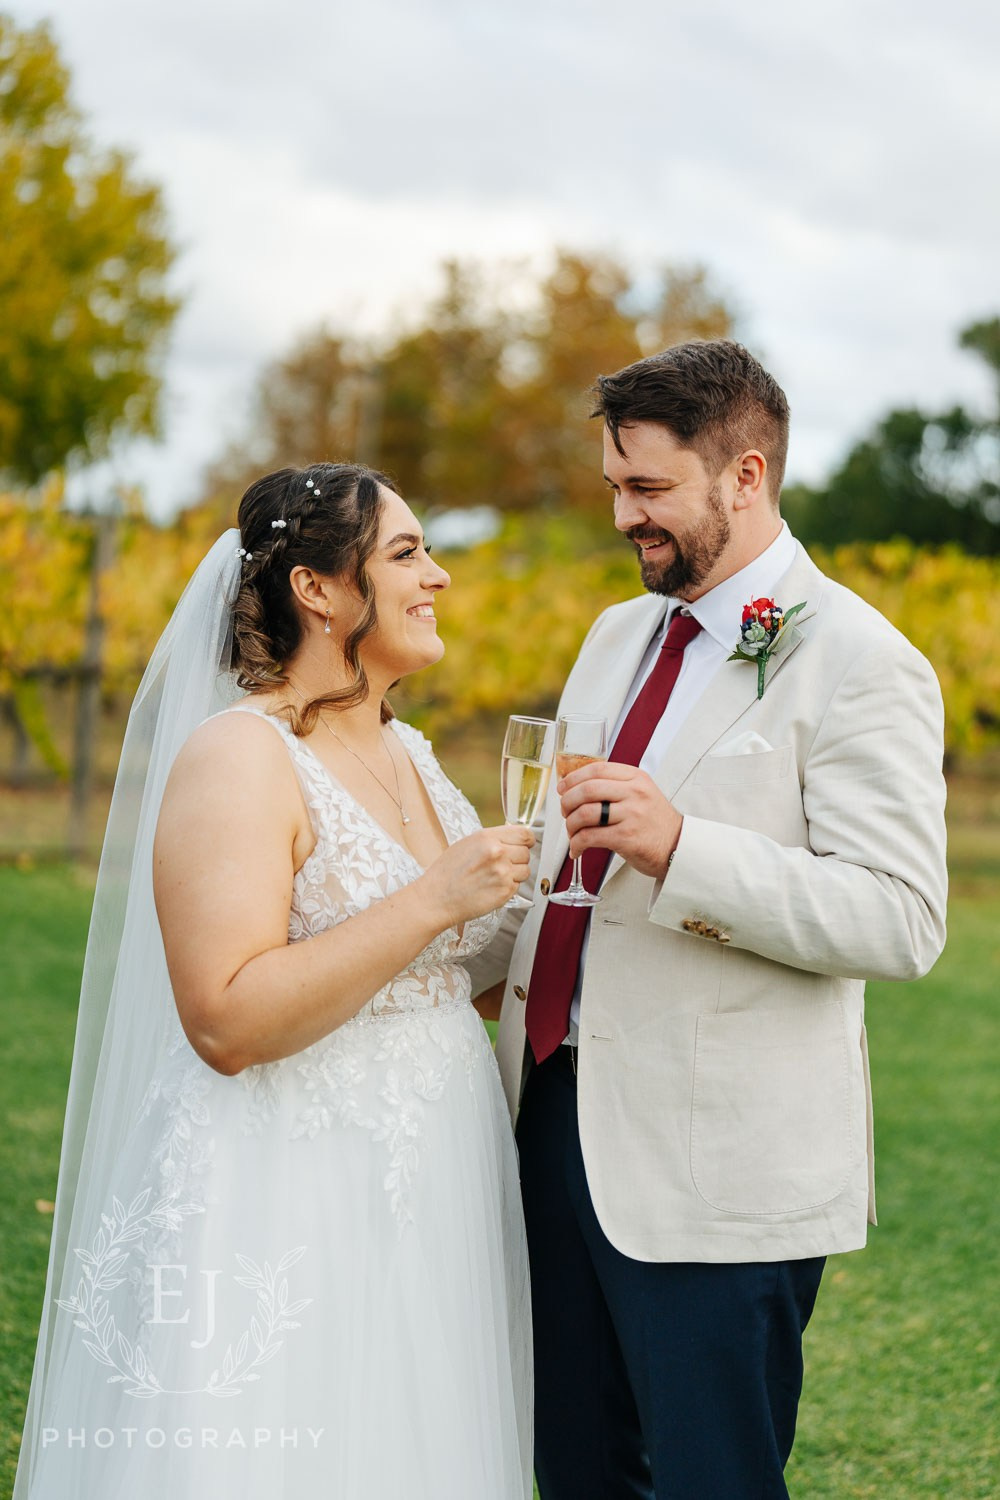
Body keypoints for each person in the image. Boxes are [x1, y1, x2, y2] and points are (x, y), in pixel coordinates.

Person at [467, 341, 948, 1499]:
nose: (623, 517)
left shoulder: (860, 661)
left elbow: (899, 919)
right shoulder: (614, 636)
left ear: (745, 475)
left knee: (710, 1479)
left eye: (648, 488)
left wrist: (682, 849)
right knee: (575, 1472)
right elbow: (560, 859)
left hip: (718, 1168)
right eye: (613, 486)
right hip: (551, 1126)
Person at [15, 463, 534, 1500]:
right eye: (406, 554)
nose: (437, 576)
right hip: (292, 1178)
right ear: (317, 589)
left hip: (435, 1175)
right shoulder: (239, 757)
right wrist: (435, 899)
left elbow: (447, 974)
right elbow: (226, 1018)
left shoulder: (412, 752)